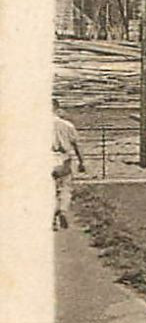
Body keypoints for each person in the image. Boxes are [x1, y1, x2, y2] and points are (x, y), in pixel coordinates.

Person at [52, 99, 86, 231]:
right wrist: (82, 162)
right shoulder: (67, 125)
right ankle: (63, 210)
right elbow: (77, 145)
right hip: (64, 160)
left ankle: (52, 220)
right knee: (65, 188)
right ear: (57, 109)